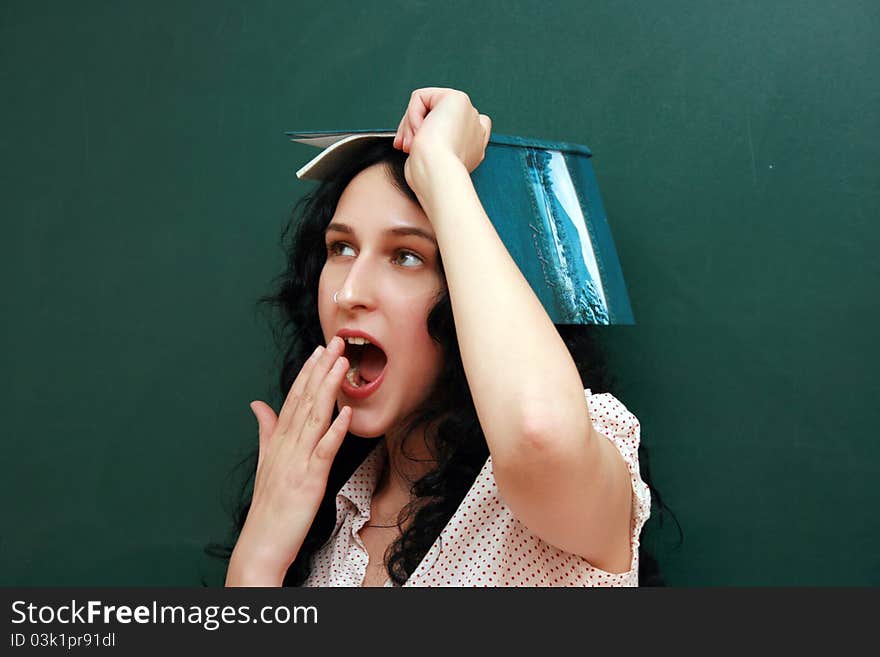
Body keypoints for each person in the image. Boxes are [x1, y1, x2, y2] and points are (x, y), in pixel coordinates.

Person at [223, 87, 654, 586]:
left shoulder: (572, 468)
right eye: (340, 248)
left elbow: (538, 432)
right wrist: (259, 555)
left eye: (407, 256)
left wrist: (442, 169)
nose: (348, 293)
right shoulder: (331, 512)